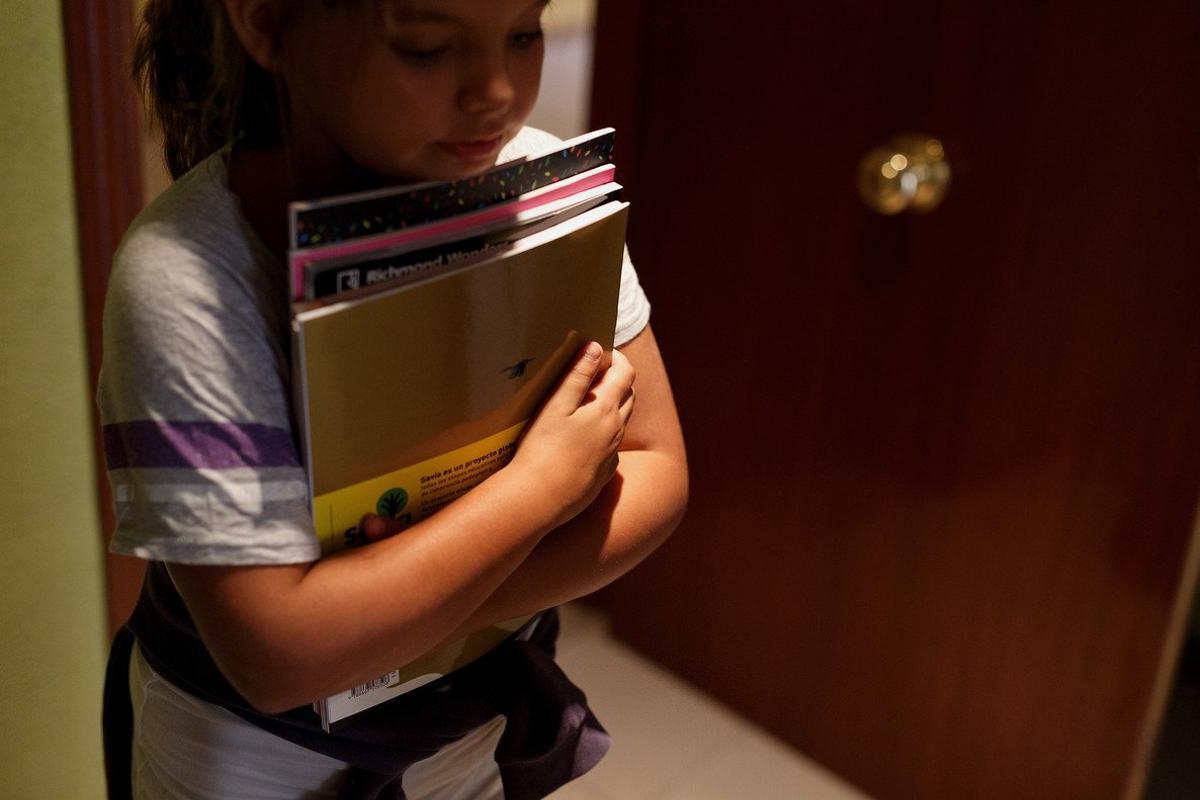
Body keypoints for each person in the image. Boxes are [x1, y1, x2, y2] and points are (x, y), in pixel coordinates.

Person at [98, 0, 688, 798]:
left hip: (473, 722)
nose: (497, 92)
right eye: (426, 48)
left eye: (524, 33)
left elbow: (658, 473)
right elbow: (279, 659)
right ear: (268, 22)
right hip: (255, 760)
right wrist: (539, 492)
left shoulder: (542, 192)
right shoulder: (191, 280)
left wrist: (393, 611)